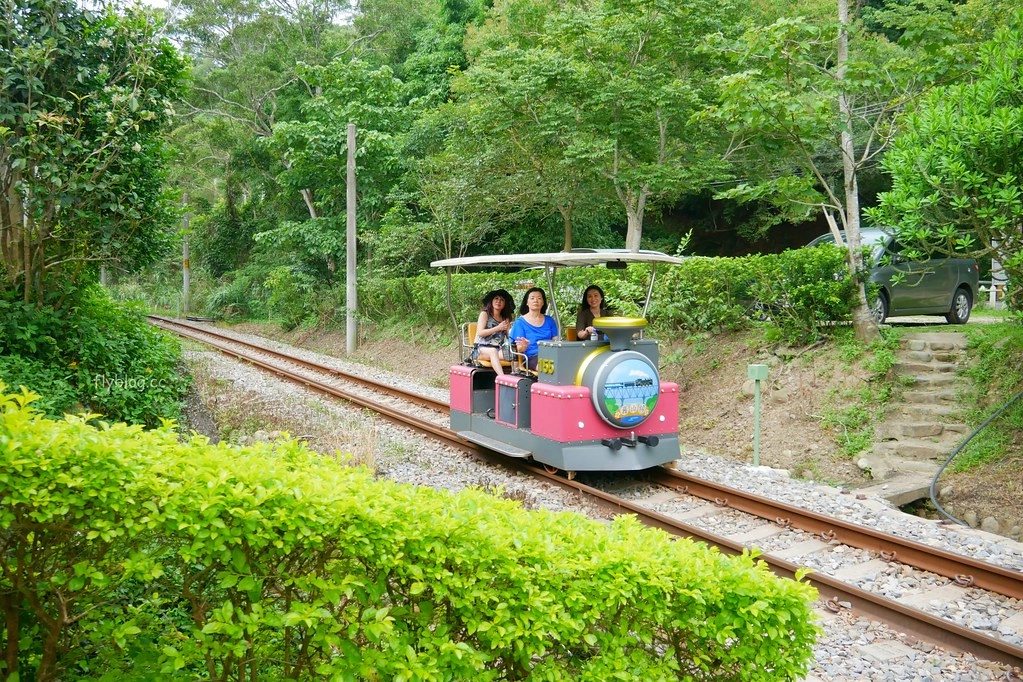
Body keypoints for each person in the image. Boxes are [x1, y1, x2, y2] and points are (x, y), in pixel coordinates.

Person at [510, 287, 559, 371]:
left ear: (543, 302)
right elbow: (517, 349)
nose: (536, 300)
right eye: (532, 298)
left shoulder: (550, 320)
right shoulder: (520, 323)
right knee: (550, 370)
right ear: (527, 302)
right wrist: (523, 347)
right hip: (532, 357)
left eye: (539, 298)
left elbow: (556, 340)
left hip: (552, 355)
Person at [474, 289, 514, 375]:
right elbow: (480, 333)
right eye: (496, 298)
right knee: (493, 351)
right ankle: (502, 377)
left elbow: (508, 337)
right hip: (481, 349)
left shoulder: (505, 318)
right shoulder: (485, 314)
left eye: (502, 300)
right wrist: (498, 328)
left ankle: (516, 376)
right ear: (491, 301)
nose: (498, 301)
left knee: (514, 353)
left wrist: (509, 331)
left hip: (498, 349)